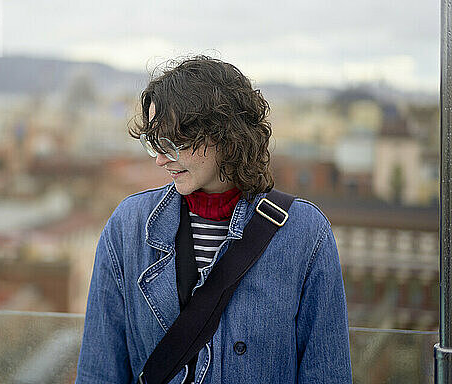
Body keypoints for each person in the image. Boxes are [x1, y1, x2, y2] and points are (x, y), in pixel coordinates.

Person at [75, 56, 352, 383]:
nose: (162, 159)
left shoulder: (306, 234)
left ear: (225, 135)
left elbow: (327, 375)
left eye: (173, 142)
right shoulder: (128, 226)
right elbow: (98, 373)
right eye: (155, 143)